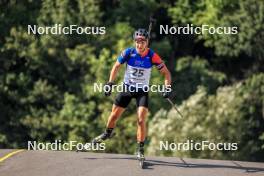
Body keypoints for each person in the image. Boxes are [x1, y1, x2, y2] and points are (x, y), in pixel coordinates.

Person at [91, 28, 172, 159]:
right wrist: (110, 83)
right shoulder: (128, 53)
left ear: (147, 43)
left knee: (141, 119)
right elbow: (116, 66)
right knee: (113, 117)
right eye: (137, 42)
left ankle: (140, 148)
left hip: (142, 92)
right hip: (127, 89)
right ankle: (107, 133)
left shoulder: (152, 56)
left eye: (142, 42)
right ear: (134, 42)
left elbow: (166, 73)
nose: (139, 45)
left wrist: (167, 88)